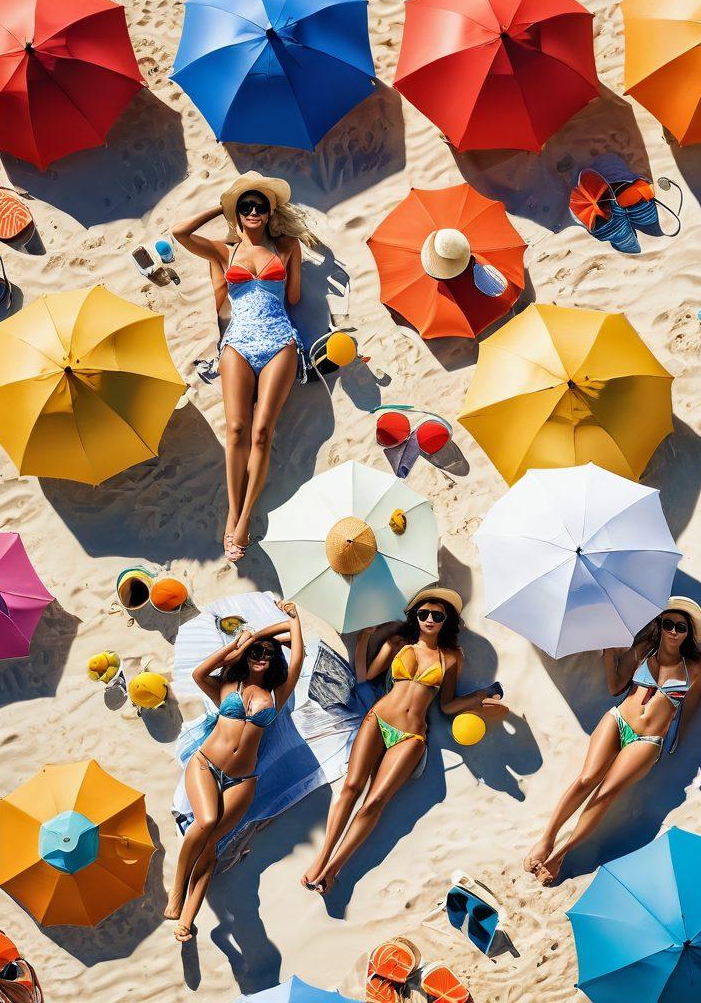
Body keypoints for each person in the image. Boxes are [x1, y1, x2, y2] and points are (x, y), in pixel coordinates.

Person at [301, 588, 507, 893]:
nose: (430, 619)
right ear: (416, 617)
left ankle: (333, 869)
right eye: (424, 613)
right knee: (351, 787)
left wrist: (478, 698)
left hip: (410, 737)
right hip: (378, 719)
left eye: (437, 615)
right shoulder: (398, 645)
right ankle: (320, 860)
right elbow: (365, 675)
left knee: (375, 802)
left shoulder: (450, 658)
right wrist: (362, 640)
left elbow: (447, 705)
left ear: (445, 621)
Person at [172, 173, 317, 561]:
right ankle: (232, 512)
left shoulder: (287, 247)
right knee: (235, 429)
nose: (253, 211)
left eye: (260, 206)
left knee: (261, 431)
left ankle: (244, 519)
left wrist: (285, 270)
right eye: (245, 206)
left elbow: (295, 297)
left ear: (270, 214)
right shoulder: (224, 251)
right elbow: (180, 233)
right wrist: (219, 208)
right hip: (237, 341)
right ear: (237, 213)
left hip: (278, 340)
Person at [524, 596, 701, 885]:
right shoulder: (643, 650)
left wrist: (677, 741)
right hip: (618, 719)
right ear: (659, 626)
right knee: (587, 778)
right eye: (668, 623)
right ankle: (546, 839)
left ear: (688, 633)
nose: (673, 631)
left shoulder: (696, 667)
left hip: (648, 739)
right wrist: (610, 652)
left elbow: (691, 707)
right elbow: (615, 687)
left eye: (681, 627)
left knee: (607, 792)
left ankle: (561, 854)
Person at [165, 602, 304, 941]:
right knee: (207, 821)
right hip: (206, 765)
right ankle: (176, 891)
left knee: (213, 843)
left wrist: (293, 619)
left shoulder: (276, 694)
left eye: (269, 654)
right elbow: (200, 674)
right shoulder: (228, 684)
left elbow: (297, 654)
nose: (262, 656)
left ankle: (187, 918)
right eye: (257, 651)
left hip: (243, 779)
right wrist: (238, 645)